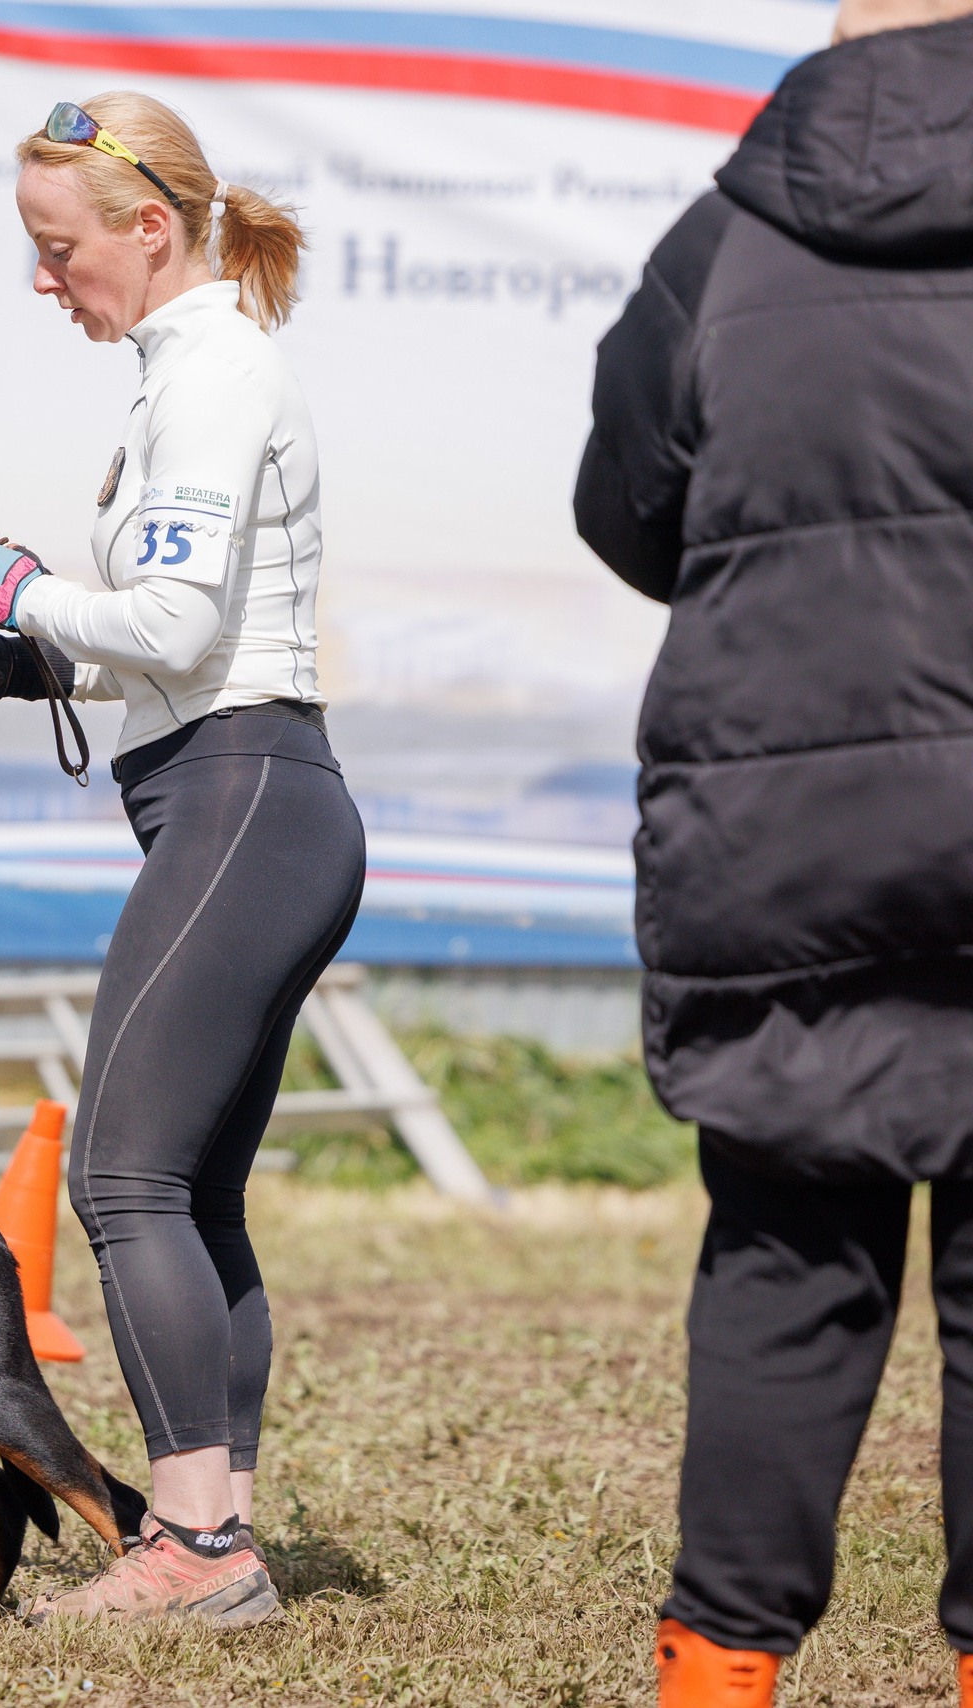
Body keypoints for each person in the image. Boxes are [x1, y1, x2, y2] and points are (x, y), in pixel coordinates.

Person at [0, 91, 363, 1626]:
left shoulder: (214, 369)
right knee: (192, 1192)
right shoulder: (188, 368)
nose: (46, 279)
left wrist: (25, 588)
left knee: (120, 1177)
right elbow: (172, 658)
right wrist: (7, 665)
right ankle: (214, 1532)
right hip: (245, 794)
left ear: (148, 231)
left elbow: (171, 629)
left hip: (247, 803)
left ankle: (195, 1554)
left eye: (59, 247)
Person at [572, 1, 973, 1701]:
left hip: (784, 829)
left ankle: (718, 1675)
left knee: (787, 1262)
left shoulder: (726, 241)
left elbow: (624, 510)